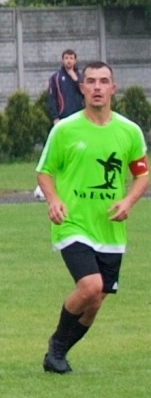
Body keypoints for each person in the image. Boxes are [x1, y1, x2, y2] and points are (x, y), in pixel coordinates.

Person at [37, 60, 148, 374]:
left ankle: (57, 354)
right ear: (82, 88)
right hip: (72, 224)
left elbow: (142, 175)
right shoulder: (65, 130)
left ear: (113, 88)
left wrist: (128, 201)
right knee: (90, 286)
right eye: (91, 82)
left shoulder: (129, 132)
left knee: (96, 300)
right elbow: (44, 172)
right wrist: (54, 200)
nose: (97, 87)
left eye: (103, 81)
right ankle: (56, 347)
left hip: (110, 230)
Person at [42, 49, 84, 125]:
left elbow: (85, 94)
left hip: (79, 116)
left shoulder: (81, 77)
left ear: (75, 60)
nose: (69, 61)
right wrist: (55, 117)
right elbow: (52, 98)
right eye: (66, 58)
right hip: (63, 117)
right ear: (62, 60)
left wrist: (76, 80)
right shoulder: (56, 77)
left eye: (71, 58)